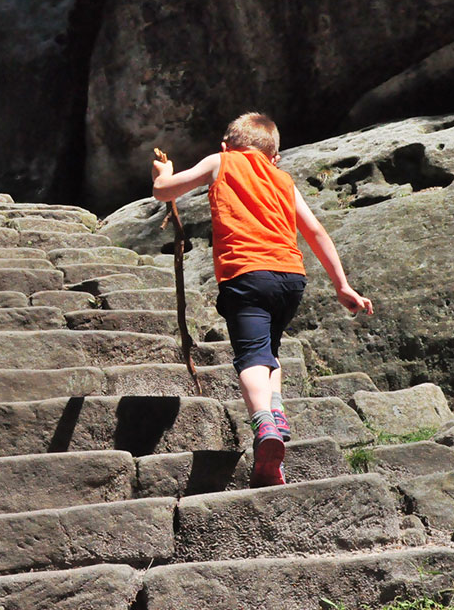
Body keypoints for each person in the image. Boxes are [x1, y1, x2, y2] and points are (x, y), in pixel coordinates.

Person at [152, 112, 373, 488]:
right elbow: (315, 230)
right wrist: (342, 285)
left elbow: (166, 191)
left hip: (247, 275)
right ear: (274, 156)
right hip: (290, 279)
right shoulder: (284, 180)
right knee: (269, 349)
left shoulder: (221, 160)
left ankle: (264, 425)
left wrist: (162, 173)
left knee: (252, 355)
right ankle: (276, 416)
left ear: (227, 145)